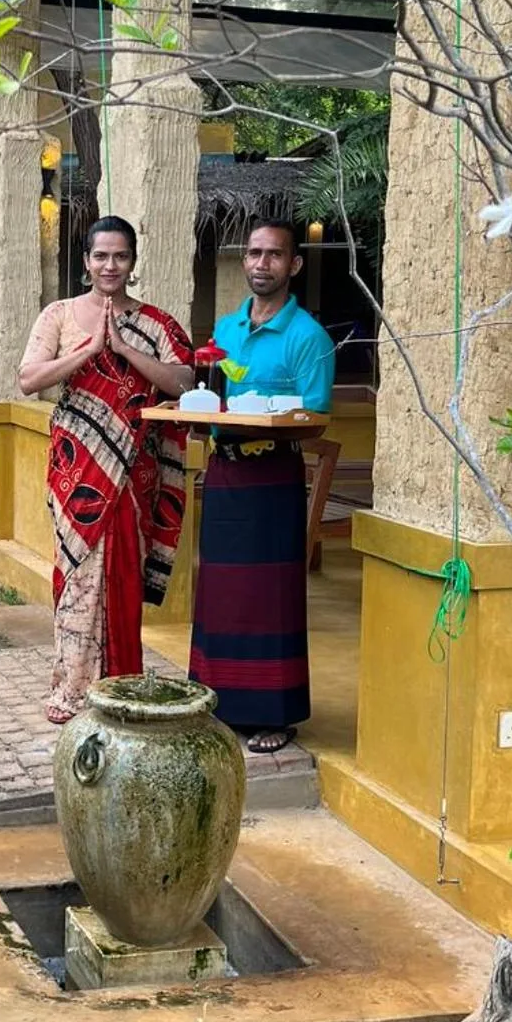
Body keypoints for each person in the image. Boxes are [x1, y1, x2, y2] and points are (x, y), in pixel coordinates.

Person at [19, 215, 194, 724]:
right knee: (76, 574)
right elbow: (28, 379)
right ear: (86, 261)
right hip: (77, 473)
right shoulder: (59, 315)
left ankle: (120, 683)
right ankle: (72, 686)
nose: (110, 265)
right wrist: (89, 351)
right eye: (101, 256)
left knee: (120, 577)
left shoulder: (157, 324)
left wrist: (124, 349)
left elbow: (185, 382)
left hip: (134, 477)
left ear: (132, 263)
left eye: (120, 256)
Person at [189, 217, 336, 755]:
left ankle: (274, 713)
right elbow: (210, 393)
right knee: (221, 593)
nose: (261, 264)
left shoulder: (309, 338)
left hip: (274, 475)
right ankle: (216, 700)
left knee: (270, 598)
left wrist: (269, 414)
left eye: (274, 255)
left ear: (293, 265)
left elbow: (316, 416)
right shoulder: (225, 331)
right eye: (254, 253)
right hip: (226, 472)